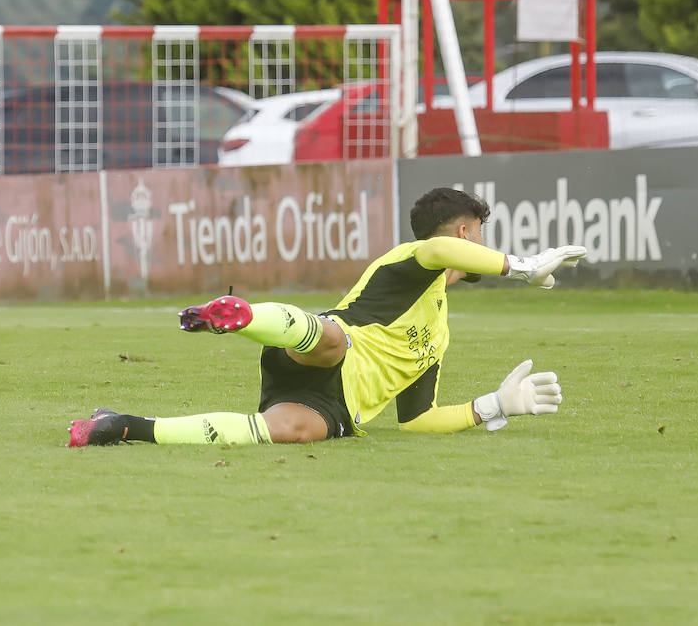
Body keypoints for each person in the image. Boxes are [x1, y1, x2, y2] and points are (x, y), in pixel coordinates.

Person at [68, 187, 587, 447]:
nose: (478, 241)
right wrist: (521, 266)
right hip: (316, 343)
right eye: (474, 231)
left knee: (291, 432)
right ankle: (241, 316)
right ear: (463, 237)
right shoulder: (410, 261)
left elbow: (416, 419)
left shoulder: (439, 333)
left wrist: (493, 405)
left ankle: (124, 427)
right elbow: (437, 251)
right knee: (333, 340)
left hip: (338, 404)